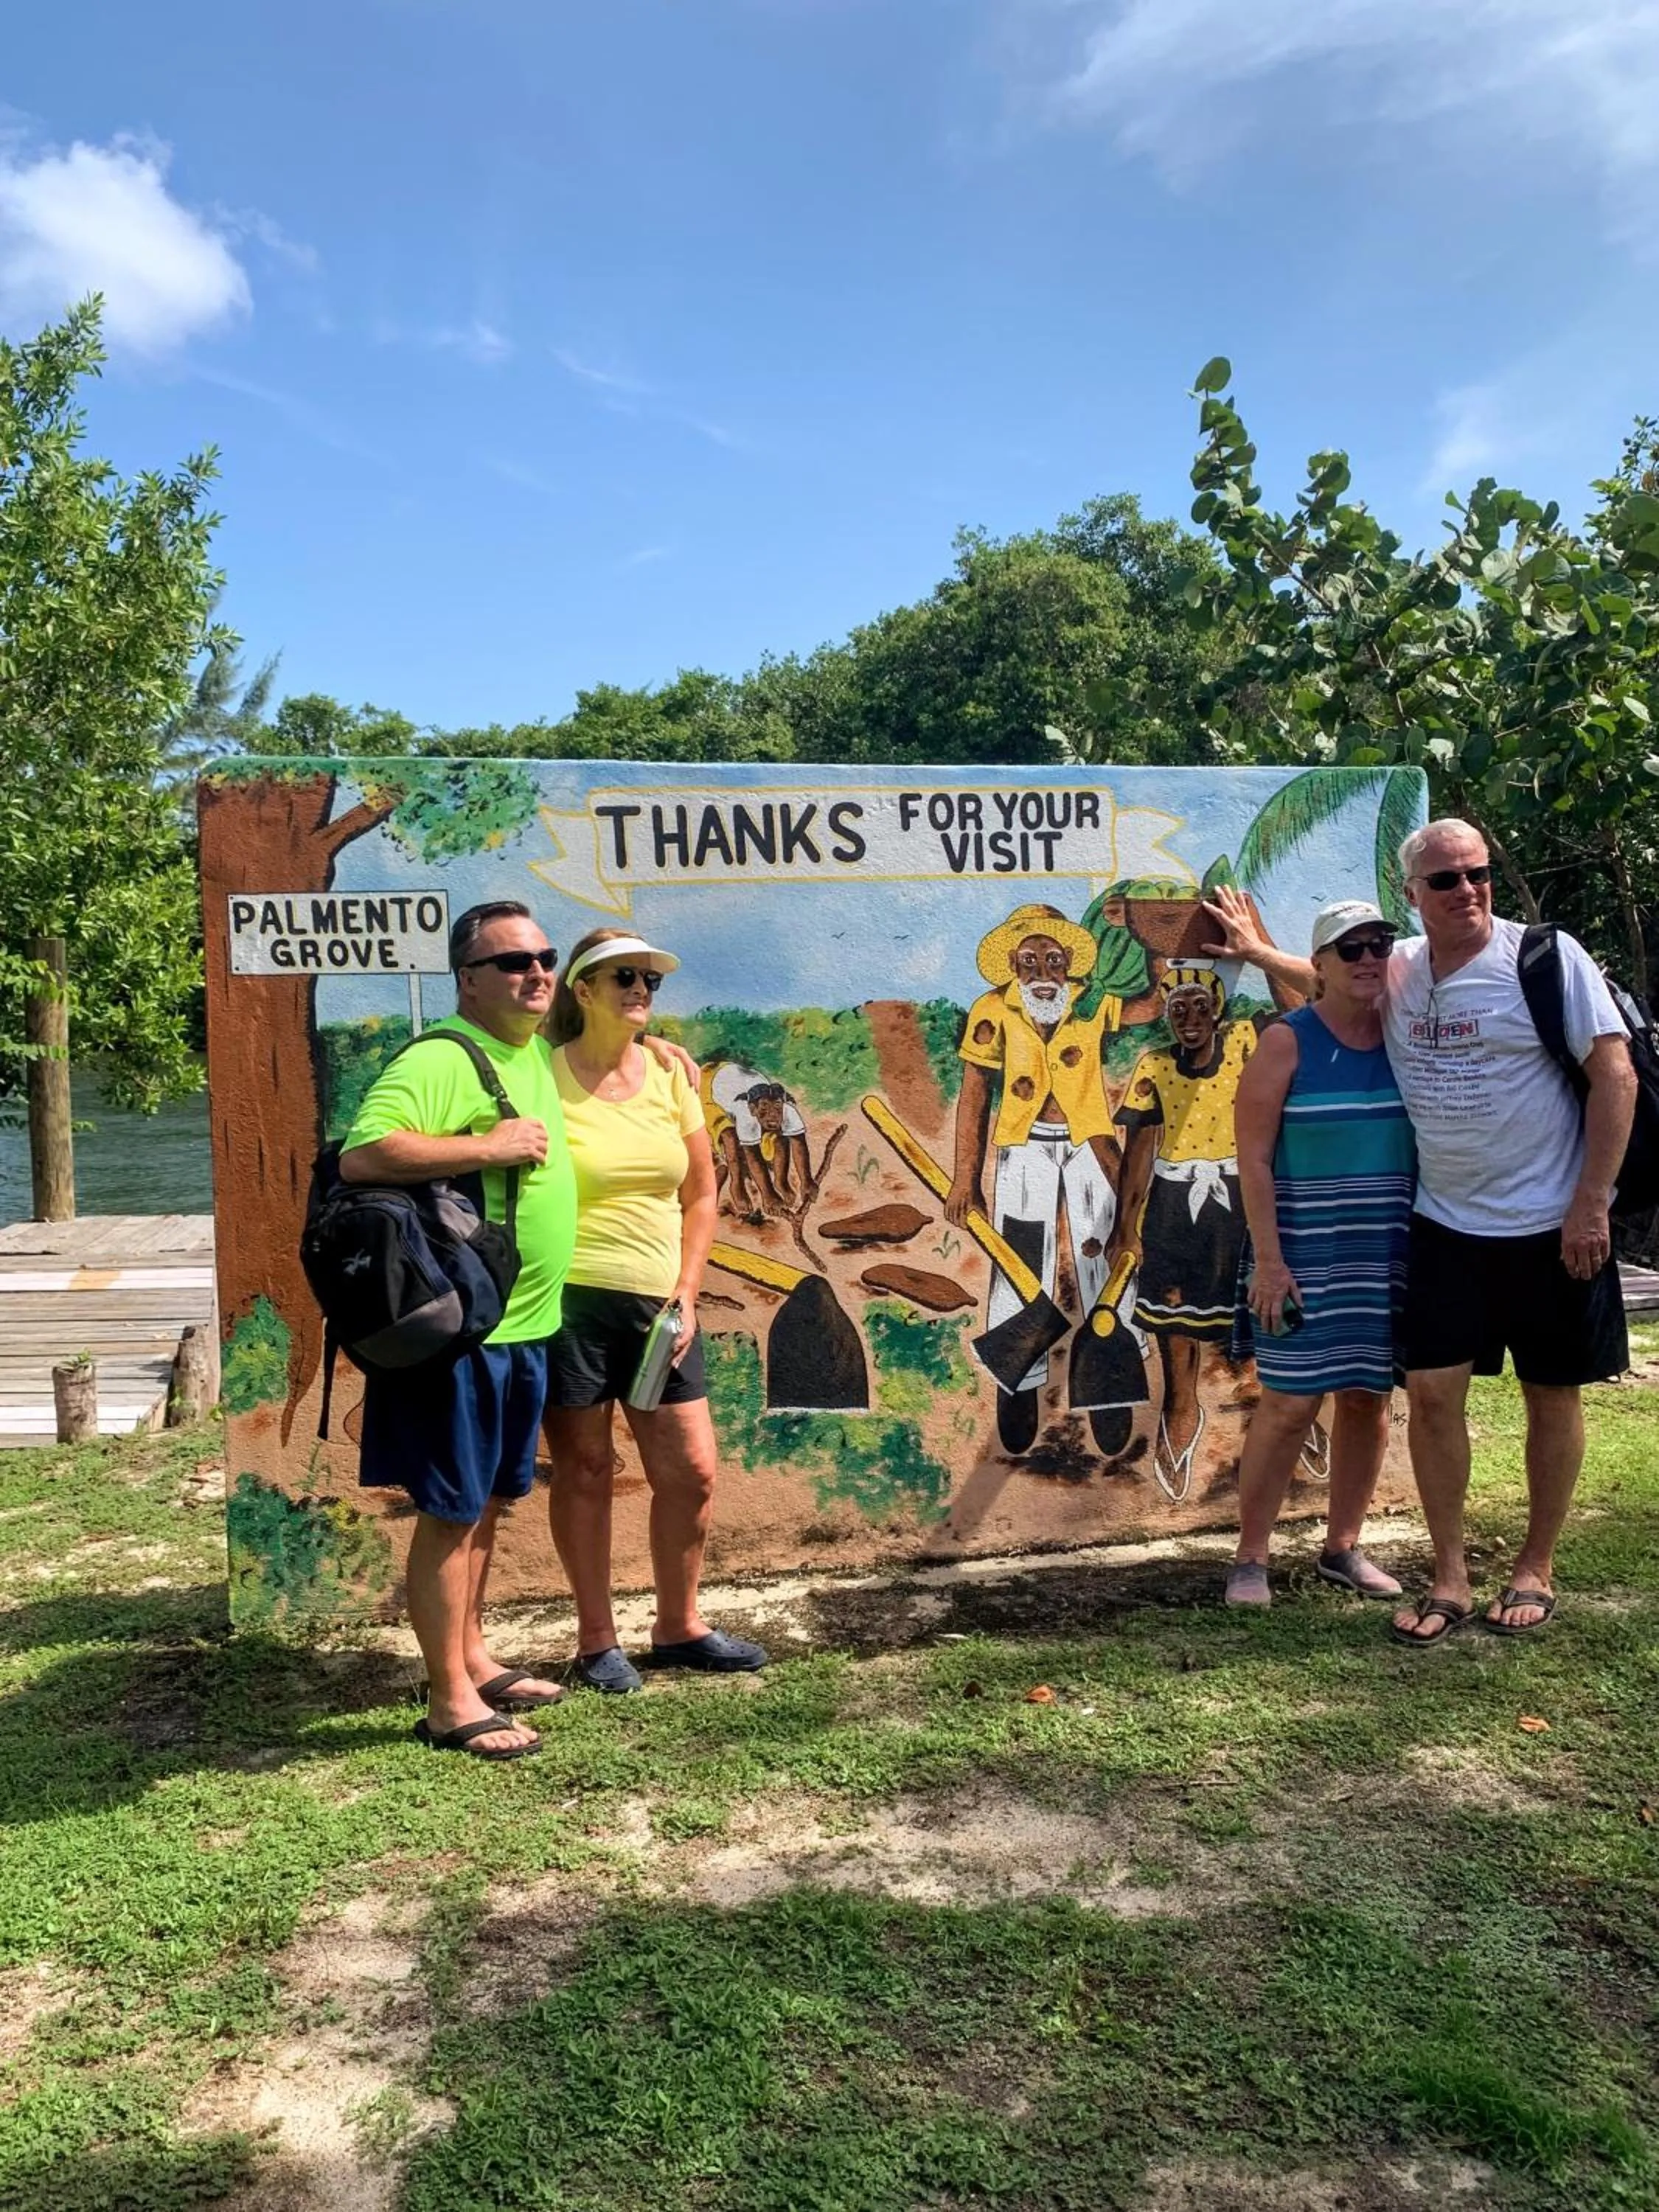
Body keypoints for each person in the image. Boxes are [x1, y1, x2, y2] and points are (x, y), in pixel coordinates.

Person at [1203, 823, 1636, 1641]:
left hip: (1551, 1225)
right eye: (1444, 880)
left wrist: (1593, 1203)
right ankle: (1448, 1577)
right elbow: (1333, 982)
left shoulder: (1545, 959)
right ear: (1415, 894)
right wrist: (1260, 954)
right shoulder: (1399, 971)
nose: (1466, 889)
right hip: (1442, 1230)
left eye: (1476, 874)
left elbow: (1613, 1071)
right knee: (1432, 1398)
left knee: (1552, 1396)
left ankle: (1534, 1569)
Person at [340, 900, 577, 1762]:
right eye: (512, 962)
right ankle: (447, 1702)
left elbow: (619, 1012)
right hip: (464, 1335)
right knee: (450, 1512)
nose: (536, 973)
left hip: (524, 1326)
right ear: (467, 978)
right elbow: (364, 1155)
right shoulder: (445, 1057)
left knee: (488, 1503)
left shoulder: (530, 1050)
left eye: (544, 957)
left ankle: (473, 1656)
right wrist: (492, 1147)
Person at [543, 927, 767, 1691]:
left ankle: (678, 1626)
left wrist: (689, 1288)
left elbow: (702, 1191)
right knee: (588, 1467)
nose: (641, 989)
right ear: (582, 989)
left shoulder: (673, 1075)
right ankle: (596, 1640)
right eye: (623, 977)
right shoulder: (541, 1074)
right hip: (566, 1302)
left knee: (692, 1471)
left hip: (659, 1305)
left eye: (650, 980)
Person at [1224, 902, 1416, 1606]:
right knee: (1288, 1405)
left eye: (1379, 945)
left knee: (1368, 1401)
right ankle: (1250, 1558)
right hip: (1301, 1255)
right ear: (1322, 967)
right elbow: (1253, 1160)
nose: (1368, 958)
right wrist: (1270, 1262)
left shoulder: (1408, 1034)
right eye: (1350, 949)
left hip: (1387, 1255)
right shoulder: (1288, 1041)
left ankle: (1343, 1548)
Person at [945, 903, 1132, 1459]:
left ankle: (1111, 1384)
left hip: (1089, 1144)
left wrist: (1146, 937)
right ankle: (1017, 1379)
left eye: (1053, 961)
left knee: (1105, 1252)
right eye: (1029, 962)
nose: (1042, 973)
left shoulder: (1094, 1002)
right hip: (1023, 1148)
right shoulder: (993, 1010)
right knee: (1020, 1259)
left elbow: (1149, 1006)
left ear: (1069, 964)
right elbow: (976, 1091)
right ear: (1013, 966)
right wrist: (965, 1177)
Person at [1110, 965, 1256, 1500]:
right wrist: (1125, 1229)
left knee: (1248, 1309)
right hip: (1174, 1204)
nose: (1190, 1019)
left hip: (1238, 1197)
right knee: (1171, 1317)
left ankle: (1286, 1410)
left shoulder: (1244, 1046)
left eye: (1200, 1007)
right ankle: (1179, 1408)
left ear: (1218, 1011)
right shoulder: (1154, 1067)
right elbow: (1139, 1152)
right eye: (1179, 1010)